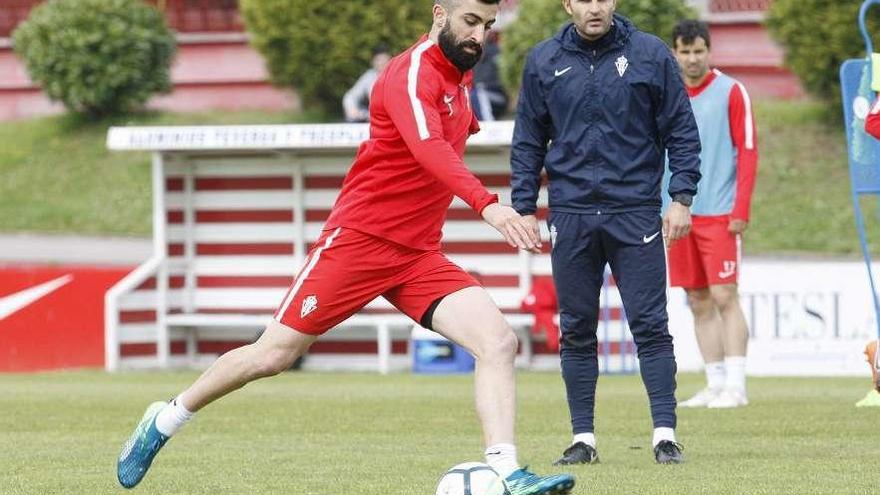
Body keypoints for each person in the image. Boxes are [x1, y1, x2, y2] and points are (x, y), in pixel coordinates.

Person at [116, 1, 576, 494]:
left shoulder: (460, 77)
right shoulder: (410, 72)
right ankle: (166, 418)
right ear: (440, 13)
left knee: (498, 343)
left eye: (486, 26)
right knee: (273, 355)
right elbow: (429, 151)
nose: (478, 37)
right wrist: (490, 206)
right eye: (469, 22)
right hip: (360, 241)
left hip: (418, 254)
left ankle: (506, 471)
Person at [510, 0, 702, 465]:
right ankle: (583, 440)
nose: (594, 7)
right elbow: (528, 139)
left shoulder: (651, 55)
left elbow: (681, 129)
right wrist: (522, 207)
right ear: (568, 5)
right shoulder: (543, 60)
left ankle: (664, 435)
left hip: (634, 211)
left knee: (651, 327)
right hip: (571, 214)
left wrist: (680, 197)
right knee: (575, 329)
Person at [667, 20, 758, 410]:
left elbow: (748, 150)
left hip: (720, 211)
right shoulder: (667, 94)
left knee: (725, 294)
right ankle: (714, 382)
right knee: (697, 300)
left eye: (698, 51)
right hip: (678, 213)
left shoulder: (731, 91)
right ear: (675, 53)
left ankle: (736, 386)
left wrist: (741, 208)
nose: (692, 58)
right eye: (685, 52)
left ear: (709, 50)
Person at [342, 46, 391, 123]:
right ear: (373, 62)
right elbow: (350, 96)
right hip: (374, 119)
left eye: (384, 60)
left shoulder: (396, 76)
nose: (382, 63)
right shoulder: (369, 76)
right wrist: (353, 110)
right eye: (378, 60)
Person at [470, 31, 509, 121]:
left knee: (479, 93)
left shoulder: (496, 52)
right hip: (476, 96)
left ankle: (488, 124)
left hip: (498, 96)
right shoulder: (470, 57)